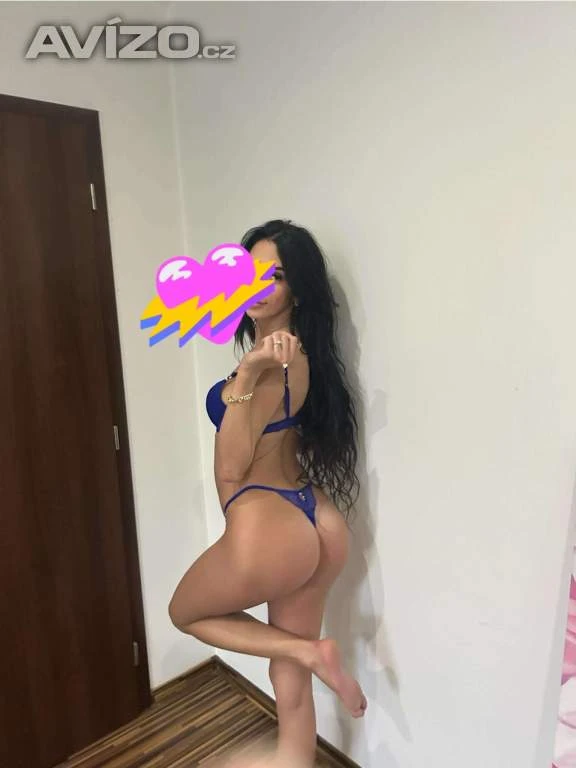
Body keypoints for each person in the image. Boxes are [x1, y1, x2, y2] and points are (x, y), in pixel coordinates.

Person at [168, 219, 367, 768]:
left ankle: (310, 651)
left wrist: (247, 374)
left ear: (296, 290)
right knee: (289, 674)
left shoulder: (272, 361)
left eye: (273, 276)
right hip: (314, 517)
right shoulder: (300, 355)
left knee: (185, 612)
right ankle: (294, 753)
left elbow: (232, 466)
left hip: (271, 527)